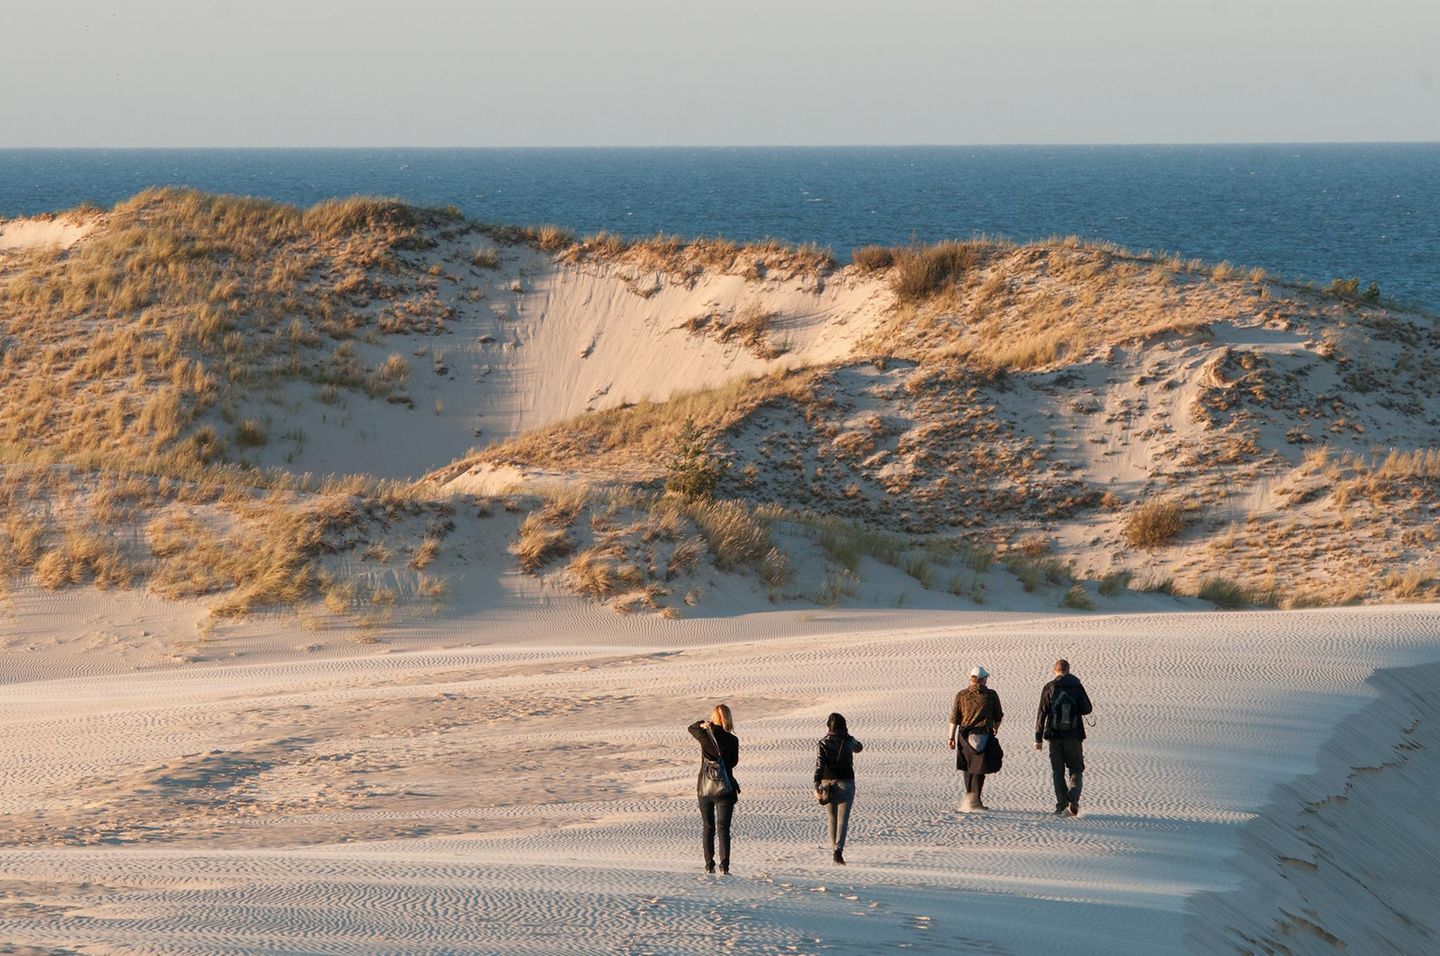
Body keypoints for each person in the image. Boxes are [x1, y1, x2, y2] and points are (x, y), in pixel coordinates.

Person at [1034, 659, 1093, 816]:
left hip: (1054, 736)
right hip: (1074, 735)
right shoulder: (1077, 686)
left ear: (1055, 671)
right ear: (1068, 670)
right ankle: (1073, 797)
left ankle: (1061, 805)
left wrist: (1038, 738)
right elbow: (1087, 709)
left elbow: (1042, 713)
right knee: (1076, 768)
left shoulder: (1049, 687)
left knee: (1057, 771)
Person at [688, 704, 740, 874]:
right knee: (723, 828)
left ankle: (709, 865)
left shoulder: (706, 736)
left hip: (705, 789)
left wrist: (702, 724)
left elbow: (691, 728)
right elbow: (733, 763)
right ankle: (724, 867)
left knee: (708, 827)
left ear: (714, 718)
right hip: (725, 788)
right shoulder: (733, 740)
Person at [948, 665, 1004, 811]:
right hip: (984, 734)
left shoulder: (961, 695)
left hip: (965, 737)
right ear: (983, 679)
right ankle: (975, 800)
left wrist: (951, 738)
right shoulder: (991, 695)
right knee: (980, 768)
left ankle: (970, 799)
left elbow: (954, 718)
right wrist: (995, 728)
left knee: (968, 768)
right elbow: (998, 716)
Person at [813, 712, 863, 865]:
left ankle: (834, 852)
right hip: (846, 782)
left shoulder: (822, 742)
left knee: (832, 819)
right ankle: (838, 852)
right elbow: (859, 748)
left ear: (829, 726)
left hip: (826, 784)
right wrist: (849, 737)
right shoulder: (849, 740)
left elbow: (819, 766)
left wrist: (816, 786)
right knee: (843, 820)